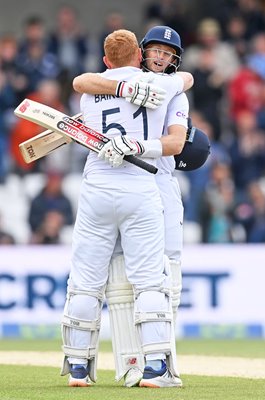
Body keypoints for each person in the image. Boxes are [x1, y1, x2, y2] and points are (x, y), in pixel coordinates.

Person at [60, 28, 193, 389]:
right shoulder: (160, 86)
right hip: (139, 185)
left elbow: (80, 82)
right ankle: (155, 367)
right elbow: (184, 79)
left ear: (106, 60)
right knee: (150, 278)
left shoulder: (89, 94)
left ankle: (77, 366)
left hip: (96, 188)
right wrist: (136, 140)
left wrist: (117, 90)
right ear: (139, 55)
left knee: (85, 280)